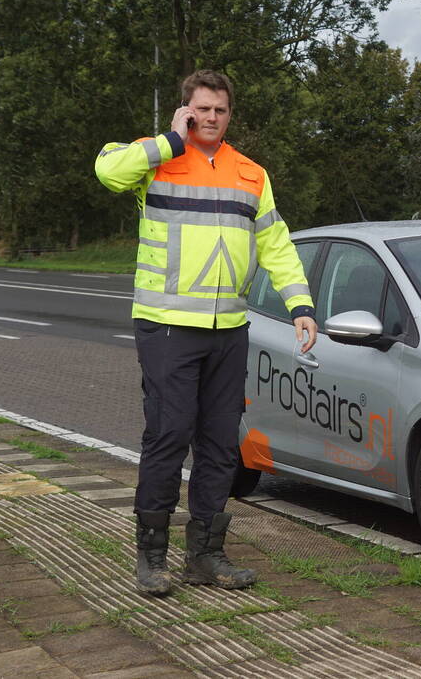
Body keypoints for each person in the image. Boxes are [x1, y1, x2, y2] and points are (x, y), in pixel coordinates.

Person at [95, 70, 317, 596]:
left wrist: (301, 304)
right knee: (168, 436)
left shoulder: (251, 174)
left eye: (219, 110)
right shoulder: (155, 158)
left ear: (229, 114)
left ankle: (206, 556)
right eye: (201, 109)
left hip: (229, 329)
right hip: (167, 324)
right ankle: (151, 556)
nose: (211, 118)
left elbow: (277, 246)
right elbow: (108, 172)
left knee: (221, 445)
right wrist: (169, 139)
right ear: (185, 110)